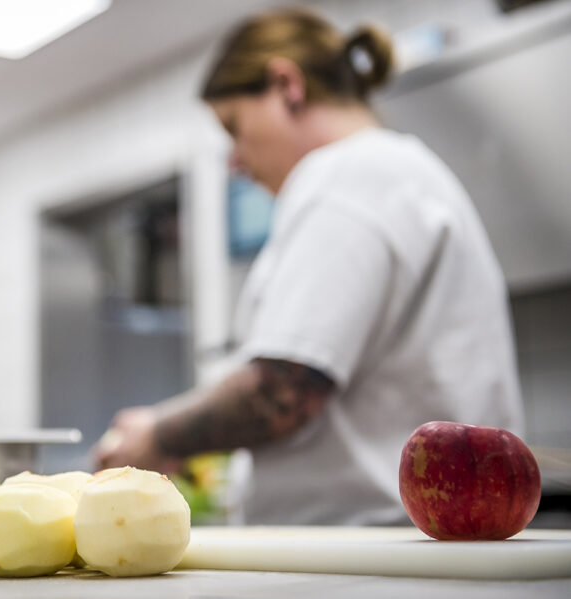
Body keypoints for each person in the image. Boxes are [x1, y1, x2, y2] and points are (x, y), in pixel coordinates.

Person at [95, 8, 524, 525]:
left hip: (365, 551)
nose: (234, 159)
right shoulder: (391, 175)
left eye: (234, 126)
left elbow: (282, 391)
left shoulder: (349, 173)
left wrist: (156, 434)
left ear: (287, 86)